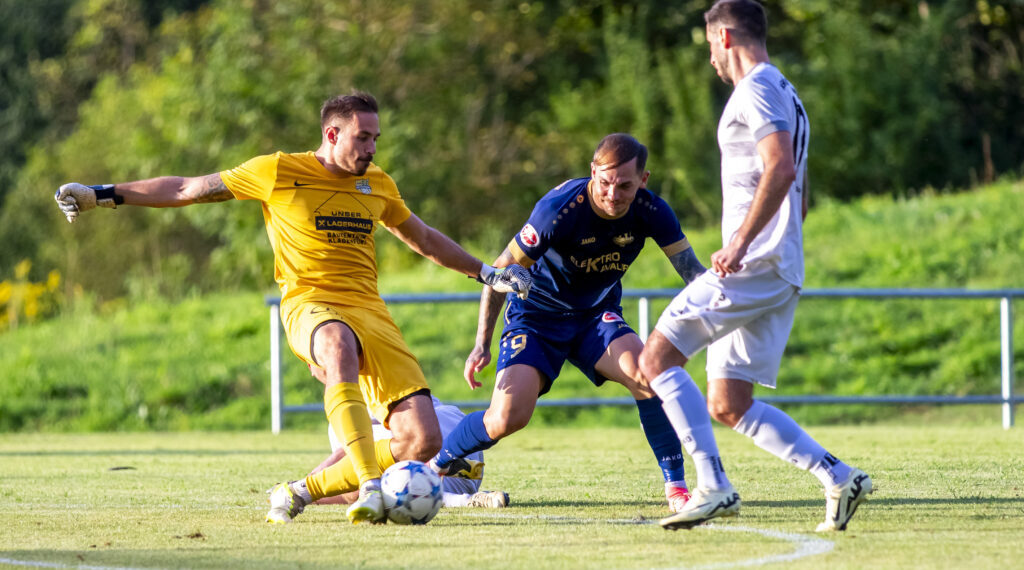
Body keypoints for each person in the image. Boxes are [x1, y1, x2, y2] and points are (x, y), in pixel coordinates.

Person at [53, 91, 532, 525]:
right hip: (311, 302)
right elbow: (186, 188)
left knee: (422, 439)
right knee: (338, 346)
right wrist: (100, 195)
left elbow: (424, 239)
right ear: (332, 133)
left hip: (371, 309)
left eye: (375, 139)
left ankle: (300, 490)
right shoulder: (279, 171)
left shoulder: (378, 184)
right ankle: (368, 483)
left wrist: (485, 272)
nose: (371, 148)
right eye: (362, 138)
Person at [635, 0, 872, 532]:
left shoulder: (758, 88)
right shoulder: (787, 90)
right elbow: (799, 189)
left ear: (723, 38)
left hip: (754, 263)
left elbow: (781, 167)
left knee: (656, 358)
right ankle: (837, 475)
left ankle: (713, 487)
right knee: (728, 400)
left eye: (709, 49)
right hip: (778, 263)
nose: (711, 63)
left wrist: (741, 242)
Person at [427, 133, 708, 513]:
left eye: (624, 185)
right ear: (593, 172)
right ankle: (434, 468)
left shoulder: (653, 211)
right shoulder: (558, 210)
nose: (613, 194)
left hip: (595, 316)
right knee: (507, 417)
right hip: (536, 316)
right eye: (604, 182)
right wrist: (482, 344)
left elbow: (693, 274)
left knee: (645, 375)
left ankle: (677, 488)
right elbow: (497, 275)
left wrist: (733, 301)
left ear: (643, 180)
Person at [306, 367, 509, 510]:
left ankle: (463, 500)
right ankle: (464, 500)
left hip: (438, 459)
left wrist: (307, 491)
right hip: (468, 459)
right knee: (372, 481)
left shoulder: (353, 395)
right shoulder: (390, 374)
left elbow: (350, 464)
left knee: (366, 481)